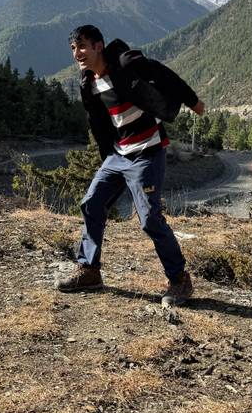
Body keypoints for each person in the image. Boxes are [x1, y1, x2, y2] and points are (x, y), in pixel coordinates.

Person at [56, 25, 205, 306]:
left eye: (83, 46)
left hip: (147, 152)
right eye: (74, 48)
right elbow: (98, 122)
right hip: (118, 155)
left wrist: (193, 100)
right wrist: (107, 159)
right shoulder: (88, 83)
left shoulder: (125, 63)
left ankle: (179, 280)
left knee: (149, 219)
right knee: (92, 203)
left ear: (99, 45)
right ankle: (89, 271)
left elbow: (163, 74)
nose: (78, 53)